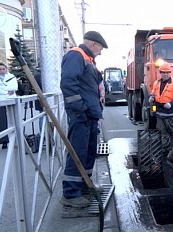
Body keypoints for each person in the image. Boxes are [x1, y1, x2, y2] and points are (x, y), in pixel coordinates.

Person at [60, 31, 108, 208]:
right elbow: (68, 83)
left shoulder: (88, 60)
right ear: (93, 44)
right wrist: (79, 109)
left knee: (88, 153)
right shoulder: (76, 55)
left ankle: (85, 186)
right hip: (81, 115)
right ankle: (71, 194)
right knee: (77, 153)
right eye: (100, 48)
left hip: (90, 115)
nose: (101, 52)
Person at [148, 62, 173, 152]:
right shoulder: (156, 83)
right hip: (160, 114)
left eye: (167, 72)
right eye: (163, 72)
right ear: (160, 73)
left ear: (170, 73)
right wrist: (151, 98)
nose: (165, 74)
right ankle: (165, 150)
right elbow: (153, 94)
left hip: (171, 114)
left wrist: (171, 104)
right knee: (162, 133)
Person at [0, 63, 18, 149]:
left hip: (11, 99)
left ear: (6, 69)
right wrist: (5, 91)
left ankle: (17, 138)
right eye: (0, 69)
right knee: (1, 120)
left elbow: (15, 87)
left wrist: (0, 87)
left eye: (3, 69)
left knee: (14, 119)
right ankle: (4, 141)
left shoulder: (12, 76)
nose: (2, 70)